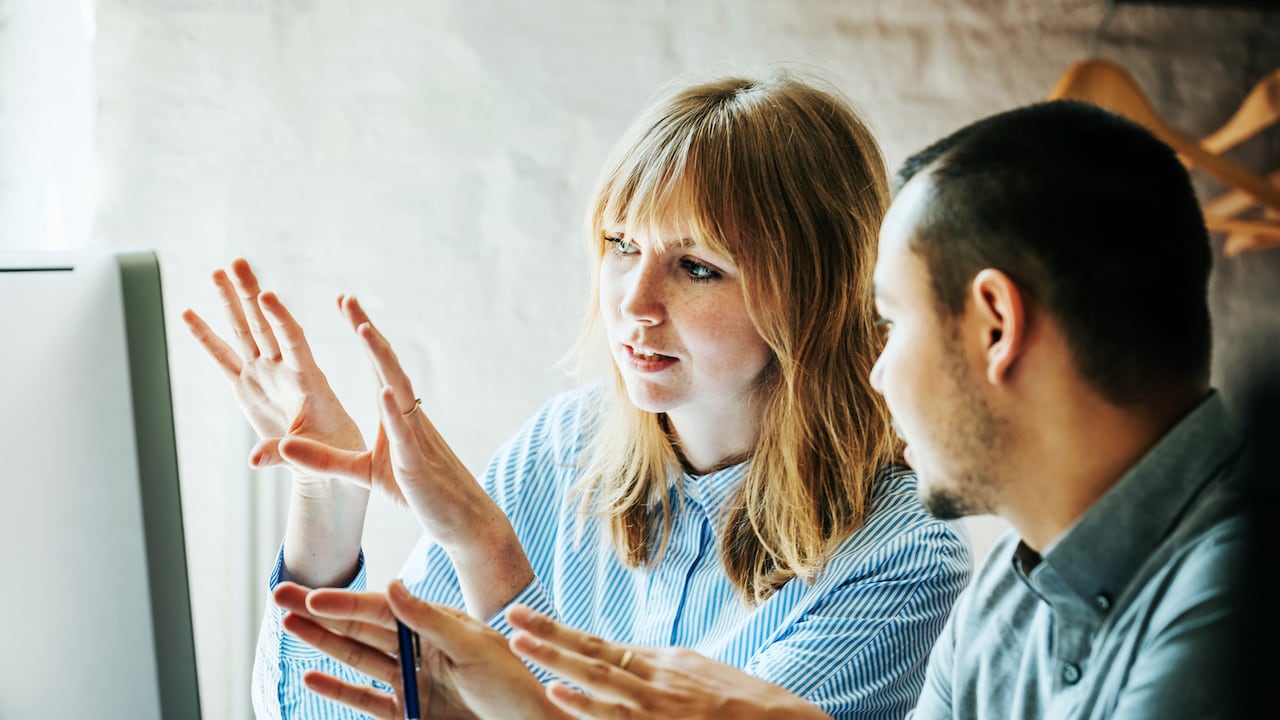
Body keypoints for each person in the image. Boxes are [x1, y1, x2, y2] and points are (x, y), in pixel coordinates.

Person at [288, 98, 1249, 719]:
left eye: (892, 320)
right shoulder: (1015, 597)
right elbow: (333, 701)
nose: (879, 372)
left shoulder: (1233, 597)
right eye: (621, 246)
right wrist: (325, 507)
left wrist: (497, 590)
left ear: (994, 324)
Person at [184, 73, 972, 719]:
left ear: (815, 293)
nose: (633, 301)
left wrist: (487, 552)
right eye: (621, 246)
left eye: (697, 266)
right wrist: (326, 491)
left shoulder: (902, 552)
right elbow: (335, 712)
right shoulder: (562, 447)